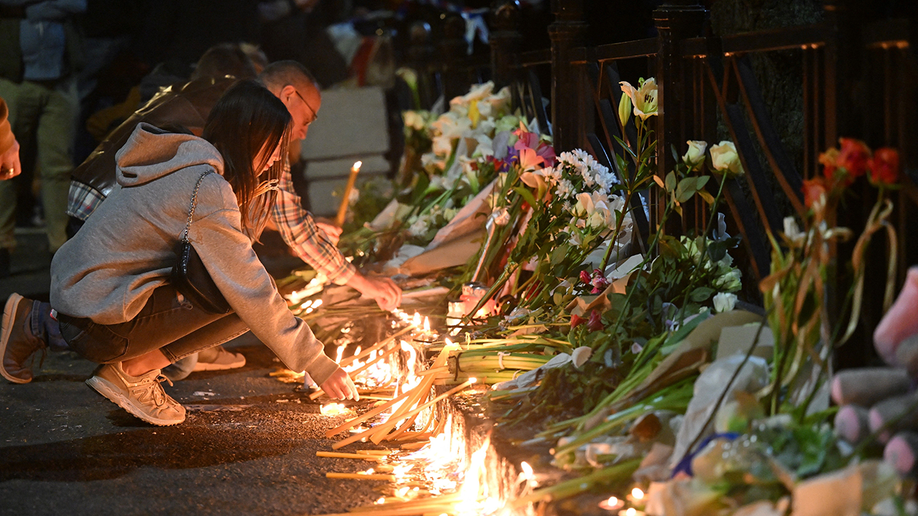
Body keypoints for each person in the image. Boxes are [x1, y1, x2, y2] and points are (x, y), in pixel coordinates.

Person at [1, 60, 402, 385]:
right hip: (96, 293)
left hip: (90, 244)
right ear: (285, 99)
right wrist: (318, 362)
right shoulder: (213, 177)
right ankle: (104, 357)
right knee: (236, 290)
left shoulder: (209, 138)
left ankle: (100, 346)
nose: (293, 143)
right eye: (306, 121)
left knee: (222, 284)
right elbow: (251, 278)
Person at [0, 0, 87, 277]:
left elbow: (78, 4)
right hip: (14, 78)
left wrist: (28, 9)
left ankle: (59, 249)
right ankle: (2, 245)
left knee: (59, 167)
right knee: (4, 163)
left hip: (59, 80)